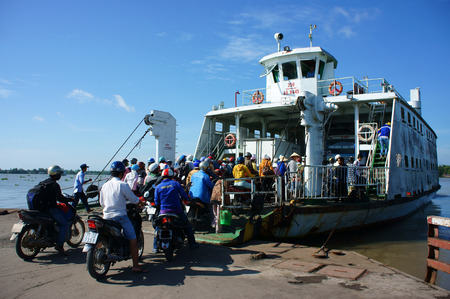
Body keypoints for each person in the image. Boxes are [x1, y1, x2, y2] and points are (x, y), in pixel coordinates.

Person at [99, 161, 146, 273]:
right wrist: (140, 202)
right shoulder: (122, 185)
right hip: (121, 216)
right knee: (133, 238)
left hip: (106, 217)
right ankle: (135, 265)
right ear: (122, 173)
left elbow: (102, 203)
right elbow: (134, 199)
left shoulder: (105, 185)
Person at [154, 168, 198, 249]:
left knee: (158, 227)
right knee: (187, 225)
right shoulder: (176, 184)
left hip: (163, 211)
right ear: (172, 175)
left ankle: (155, 247)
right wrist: (188, 198)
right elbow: (184, 196)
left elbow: (156, 202)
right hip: (176, 210)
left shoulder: (158, 187)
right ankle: (192, 244)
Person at [40, 165, 71, 255]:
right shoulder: (54, 185)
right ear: (56, 174)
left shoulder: (43, 183)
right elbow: (60, 198)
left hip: (40, 208)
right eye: (59, 174)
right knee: (63, 223)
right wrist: (69, 200)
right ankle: (59, 245)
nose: (60, 176)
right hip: (49, 208)